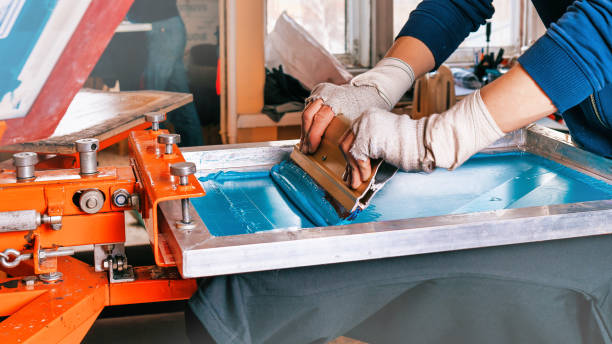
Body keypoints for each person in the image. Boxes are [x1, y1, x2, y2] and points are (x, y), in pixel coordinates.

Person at [186, 1, 611, 343]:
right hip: (594, 161)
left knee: (249, 300)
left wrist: (448, 134)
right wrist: (381, 82)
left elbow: (604, 24)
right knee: (243, 293)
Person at [128, 0, 204, 146]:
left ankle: (157, 150)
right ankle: (192, 150)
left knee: (153, 101)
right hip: (168, 28)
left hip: (164, 30)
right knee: (180, 98)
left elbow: (140, 11)